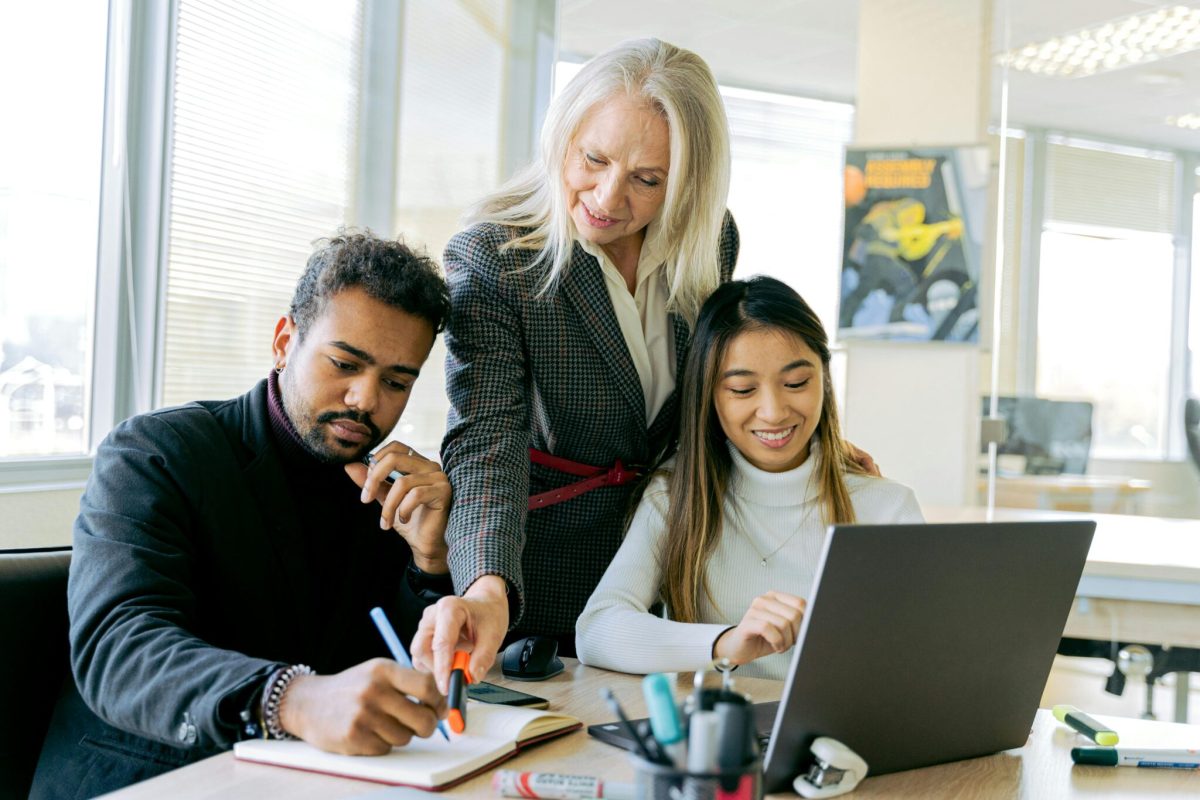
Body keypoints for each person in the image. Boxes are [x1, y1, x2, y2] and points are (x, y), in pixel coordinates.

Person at [30, 232, 455, 799]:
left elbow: (381, 675)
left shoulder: (383, 491)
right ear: (285, 342)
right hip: (150, 780)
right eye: (345, 363)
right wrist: (292, 698)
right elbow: (119, 647)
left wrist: (429, 563)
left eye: (397, 381)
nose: (365, 399)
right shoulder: (155, 453)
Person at [413, 37, 740, 689]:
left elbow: (712, 393)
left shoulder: (710, 241)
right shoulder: (497, 256)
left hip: (671, 586)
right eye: (593, 159)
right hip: (544, 589)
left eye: (649, 181)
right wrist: (486, 585)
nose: (608, 197)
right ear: (563, 137)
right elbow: (486, 440)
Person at [575, 276, 923, 680]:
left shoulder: (887, 507)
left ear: (824, 379)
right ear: (709, 394)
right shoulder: (676, 497)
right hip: (718, 736)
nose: (773, 412)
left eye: (796, 383)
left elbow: (926, 659)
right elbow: (597, 630)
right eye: (742, 389)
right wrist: (725, 643)